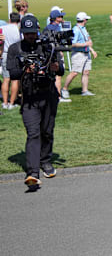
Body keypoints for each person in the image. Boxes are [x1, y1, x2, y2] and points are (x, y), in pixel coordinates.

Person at [6, 16, 64, 190]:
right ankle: (32, 173)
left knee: (47, 131)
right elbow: (13, 73)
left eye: (33, 33)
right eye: (27, 33)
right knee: (33, 133)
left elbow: (60, 68)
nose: (30, 36)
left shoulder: (47, 46)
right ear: (22, 32)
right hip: (29, 98)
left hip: (48, 95)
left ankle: (45, 161)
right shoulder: (14, 48)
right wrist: (26, 69)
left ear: (38, 30)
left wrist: (55, 67)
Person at [61, 12, 97, 98]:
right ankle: (64, 89)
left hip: (86, 53)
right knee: (74, 73)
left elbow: (88, 40)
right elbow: (73, 44)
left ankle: (84, 91)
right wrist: (85, 44)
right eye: (86, 19)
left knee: (86, 72)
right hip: (78, 54)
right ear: (84, 20)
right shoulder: (76, 30)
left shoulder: (84, 28)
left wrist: (92, 50)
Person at [1, 13, 21, 110]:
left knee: (6, 79)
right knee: (15, 79)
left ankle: (5, 102)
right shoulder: (18, 29)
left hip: (4, 53)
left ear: (10, 19)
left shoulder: (3, 28)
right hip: (15, 54)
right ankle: (12, 103)